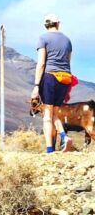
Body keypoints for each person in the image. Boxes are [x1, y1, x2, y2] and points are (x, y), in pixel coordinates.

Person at [31, 14, 73, 153]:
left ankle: (49, 149)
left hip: (50, 77)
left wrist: (37, 85)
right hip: (65, 78)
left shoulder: (43, 38)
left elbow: (42, 63)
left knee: (47, 115)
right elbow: (68, 62)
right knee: (54, 113)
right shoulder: (67, 40)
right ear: (58, 24)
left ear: (45, 25)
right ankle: (64, 137)